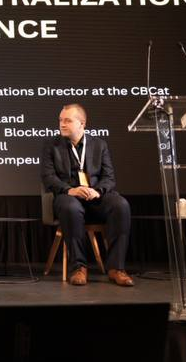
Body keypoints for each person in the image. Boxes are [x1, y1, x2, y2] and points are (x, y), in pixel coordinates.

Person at [40, 103, 134, 287]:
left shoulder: (99, 144)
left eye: (67, 120)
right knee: (71, 207)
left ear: (82, 123)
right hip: (67, 196)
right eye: (60, 120)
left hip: (95, 196)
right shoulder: (51, 145)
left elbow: (109, 177)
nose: (62, 124)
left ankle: (116, 268)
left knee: (120, 205)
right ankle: (78, 268)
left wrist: (97, 191)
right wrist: (69, 190)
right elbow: (47, 177)